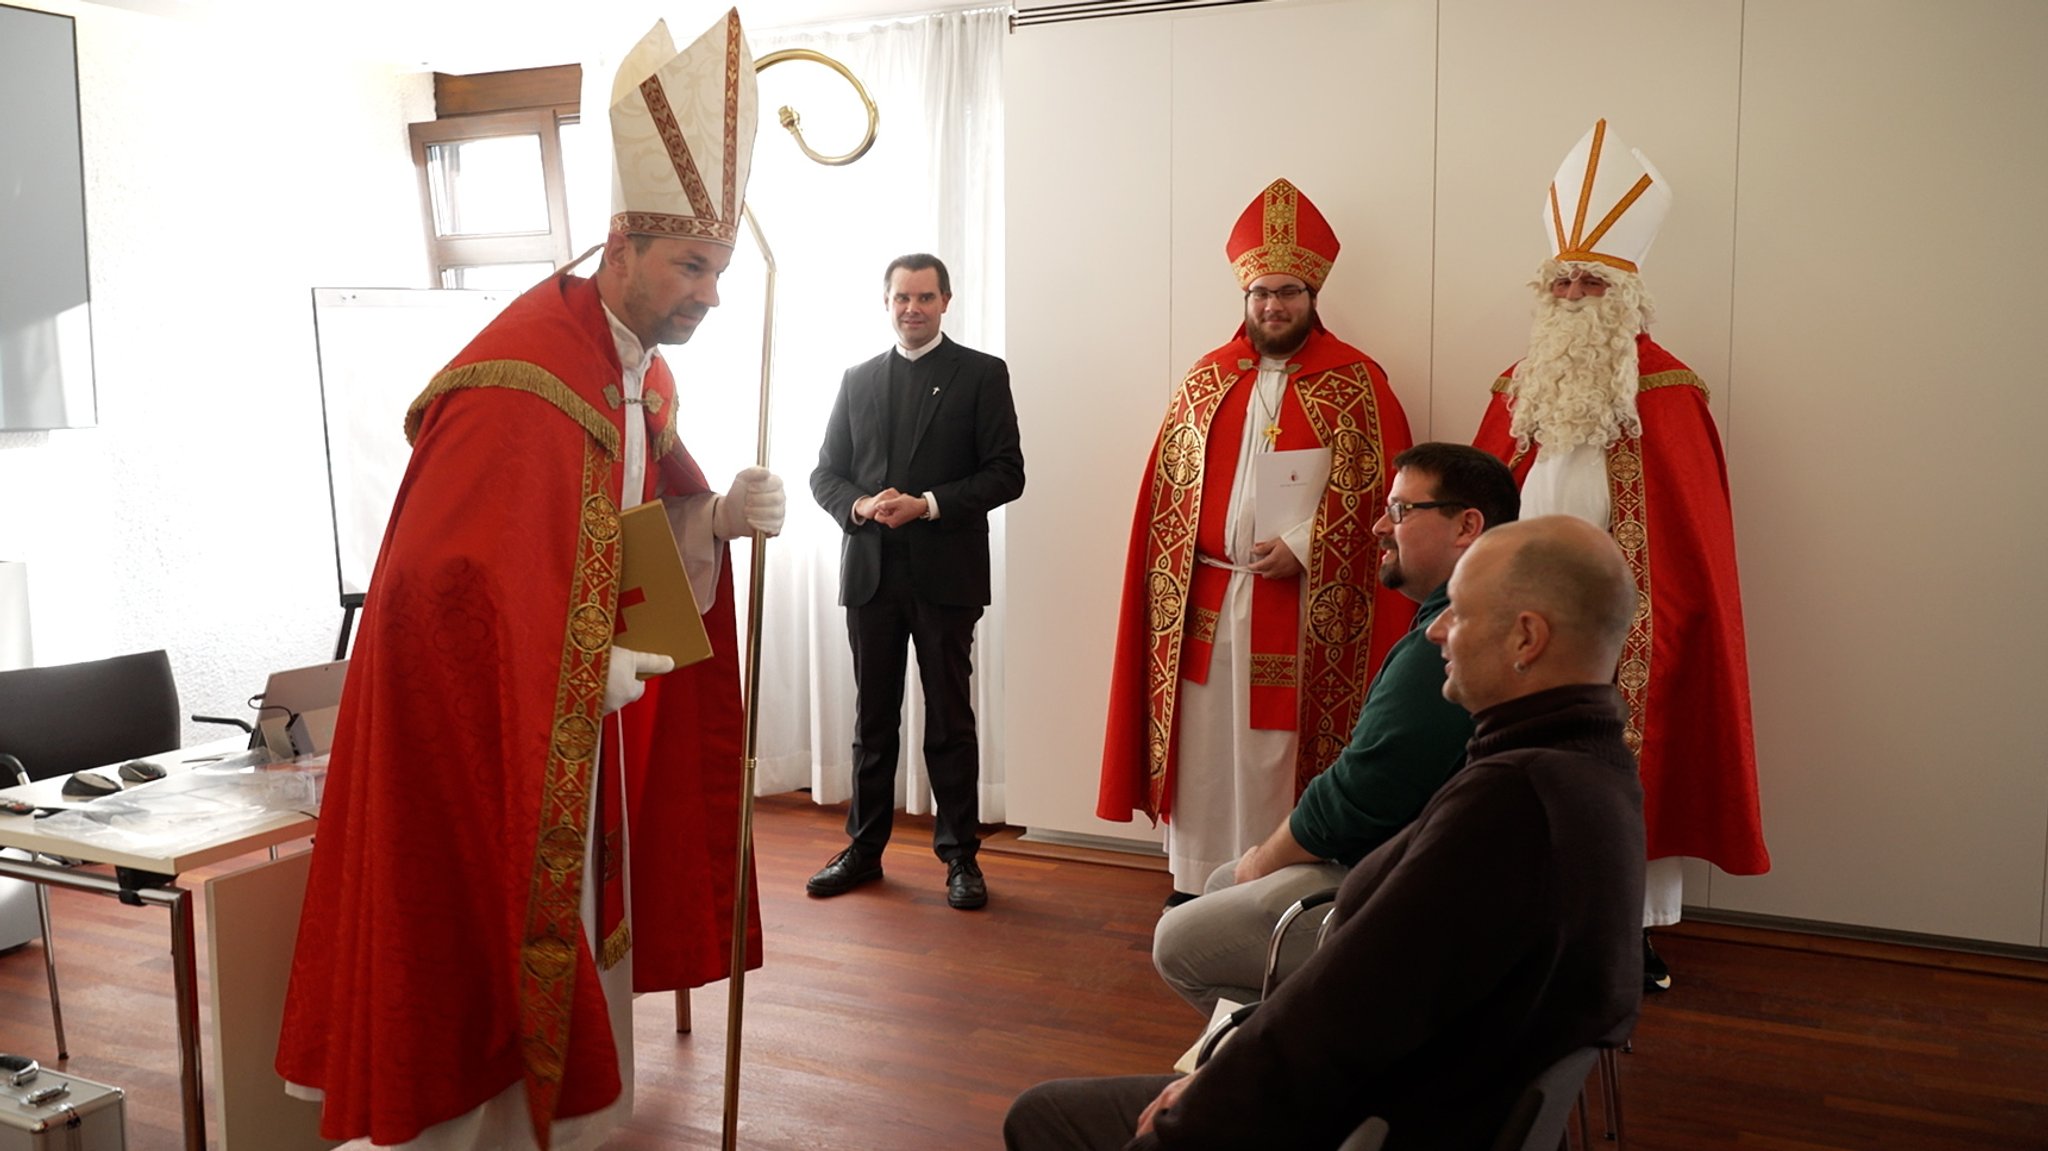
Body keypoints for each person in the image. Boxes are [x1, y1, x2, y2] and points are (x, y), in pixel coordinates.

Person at [276, 13, 781, 1149]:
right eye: (690, 264)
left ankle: (570, 1120)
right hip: (493, 739)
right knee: (478, 957)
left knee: (582, 932)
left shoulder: (635, 378)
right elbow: (432, 601)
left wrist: (715, 515)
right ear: (622, 247)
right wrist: (569, 670)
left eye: (719, 268)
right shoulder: (519, 383)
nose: (707, 291)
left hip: (586, 734)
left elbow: (635, 531)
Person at [1005, 516, 1646, 1150]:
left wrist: (1190, 1116)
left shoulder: (1509, 803)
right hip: (1431, 1093)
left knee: (1045, 1117)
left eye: (1459, 612)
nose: (1438, 633)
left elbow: (1340, 1027)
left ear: (1526, 638)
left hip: (1385, 1118)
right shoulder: (1592, 767)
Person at [1472, 119, 1769, 990]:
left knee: (1627, 780)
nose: (1569, 294)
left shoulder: (1670, 394)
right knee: (1525, 780)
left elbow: (1694, 548)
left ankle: (1627, 936)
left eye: (1588, 281)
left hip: (1624, 630)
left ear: (1625, 292)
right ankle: (1530, 922)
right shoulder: (1514, 390)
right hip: (1524, 628)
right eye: (1559, 280)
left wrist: (1664, 621)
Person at [1098, 178, 1415, 903]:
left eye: (1289, 293)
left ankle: (1275, 883)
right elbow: (1168, 499)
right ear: (1245, 297)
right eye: (1261, 293)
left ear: (1313, 296)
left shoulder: (1357, 383)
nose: (1273, 306)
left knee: (1277, 749)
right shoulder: (1207, 378)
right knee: (1205, 747)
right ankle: (1195, 882)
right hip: (1208, 595)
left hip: (1299, 602)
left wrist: (1306, 545)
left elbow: (1378, 496)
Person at [1152, 443, 1517, 1017]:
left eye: (1400, 511)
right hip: (1426, 873)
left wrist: (1262, 861)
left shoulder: (1452, 641)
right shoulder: (1481, 609)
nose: (1378, 526)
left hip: (1415, 906)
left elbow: (1360, 793)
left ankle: (1316, 1078)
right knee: (1225, 880)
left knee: (1179, 941)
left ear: (1467, 525)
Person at [806, 253, 1025, 910]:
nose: (912, 308)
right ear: (886, 303)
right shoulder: (857, 379)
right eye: (902, 297)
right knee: (872, 721)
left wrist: (926, 503)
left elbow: (1006, 472)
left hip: (946, 574)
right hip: (871, 574)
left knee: (950, 722)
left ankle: (960, 857)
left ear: (946, 301)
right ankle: (864, 850)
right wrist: (862, 506)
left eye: (925, 297)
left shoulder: (982, 374)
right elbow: (826, 474)